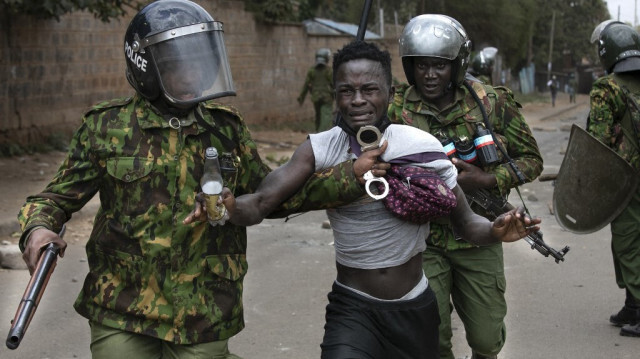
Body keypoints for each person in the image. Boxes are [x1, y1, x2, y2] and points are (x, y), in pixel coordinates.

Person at [17, 1, 370, 358]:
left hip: (204, 307)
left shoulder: (225, 128)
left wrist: (350, 177)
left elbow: (273, 196)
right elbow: (53, 200)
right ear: (145, 68)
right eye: (177, 65)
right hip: (121, 303)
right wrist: (38, 229)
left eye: (199, 63)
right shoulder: (105, 128)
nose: (193, 74)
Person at [186, 40, 540, 359]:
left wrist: (495, 231)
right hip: (352, 306)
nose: (357, 100)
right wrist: (229, 207)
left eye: (369, 89)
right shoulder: (319, 149)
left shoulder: (421, 146)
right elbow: (261, 201)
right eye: (347, 90)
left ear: (389, 91)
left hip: (415, 306)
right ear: (336, 95)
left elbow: (465, 223)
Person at [388, 14, 543, 359]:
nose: (429, 74)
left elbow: (532, 160)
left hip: (480, 236)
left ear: (457, 65)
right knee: (432, 337)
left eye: (440, 66)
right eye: (421, 65)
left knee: (487, 339)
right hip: (422, 240)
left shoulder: (491, 103)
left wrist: (488, 179)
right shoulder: (394, 107)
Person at [588, 19, 640, 338]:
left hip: (628, 181)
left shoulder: (607, 87)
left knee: (627, 242)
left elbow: (597, 141)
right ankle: (633, 304)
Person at [298, 48, 334, 132]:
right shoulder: (329, 71)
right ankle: (321, 134)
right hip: (327, 98)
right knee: (325, 117)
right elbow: (334, 85)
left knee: (318, 116)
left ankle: (318, 133)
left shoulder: (312, 71)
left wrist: (301, 98)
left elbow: (306, 86)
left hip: (316, 97)